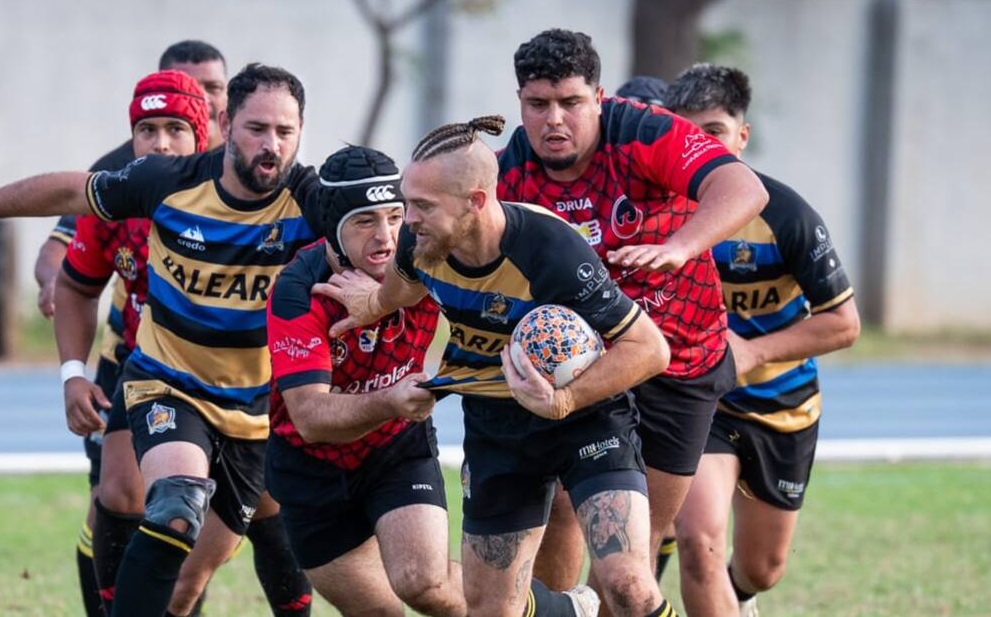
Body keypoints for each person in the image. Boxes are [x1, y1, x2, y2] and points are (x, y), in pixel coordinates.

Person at [0, 63, 319, 617]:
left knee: (190, 580)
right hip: (166, 382)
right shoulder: (162, 181)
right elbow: (68, 196)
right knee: (173, 506)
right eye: (257, 129)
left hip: (255, 407)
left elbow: (392, 227)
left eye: (284, 132)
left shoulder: (314, 201)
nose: (271, 144)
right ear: (226, 124)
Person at [314, 116, 679, 617]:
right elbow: (401, 289)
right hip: (496, 426)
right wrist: (372, 304)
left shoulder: (551, 251)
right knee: (489, 608)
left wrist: (564, 400)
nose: (407, 219)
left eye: (422, 206)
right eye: (407, 202)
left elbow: (649, 348)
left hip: (584, 416)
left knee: (629, 587)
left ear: (476, 201)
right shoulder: (419, 244)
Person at [495, 30, 768, 600]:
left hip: (680, 361)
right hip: (582, 360)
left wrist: (680, 247)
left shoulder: (646, 132)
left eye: (571, 102)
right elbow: (440, 218)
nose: (554, 120)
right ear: (519, 101)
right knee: (561, 504)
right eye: (538, 104)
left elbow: (744, 188)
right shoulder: (508, 169)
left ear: (599, 97)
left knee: (629, 553)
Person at [29, 40, 228, 617]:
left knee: (238, 517)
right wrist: (57, 288)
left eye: (212, 89)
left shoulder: (248, 171)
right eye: (152, 126)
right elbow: (65, 257)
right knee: (120, 500)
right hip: (133, 363)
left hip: (235, 377)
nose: (202, 97)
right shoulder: (122, 175)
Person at [666, 63, 860, 617]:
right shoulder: (656, 210)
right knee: (698, 541)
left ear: (742, 136)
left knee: (762, 569)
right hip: (701, 401)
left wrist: (750, 352)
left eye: (715, 131)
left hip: (782, 407)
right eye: (688, 134)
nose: (702, 147)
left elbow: (844, 324)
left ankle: (740, 597)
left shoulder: (787, 215)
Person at [265, 144, 468, 615]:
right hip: (310, 470)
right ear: (333, 228)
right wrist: (390, 399)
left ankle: (553, 610)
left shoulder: (427, 256)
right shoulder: (298, 291)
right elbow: (310, 417)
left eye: (395, 217)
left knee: (426, 585)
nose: (386, 236)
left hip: (396, 448)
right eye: (364, 221)